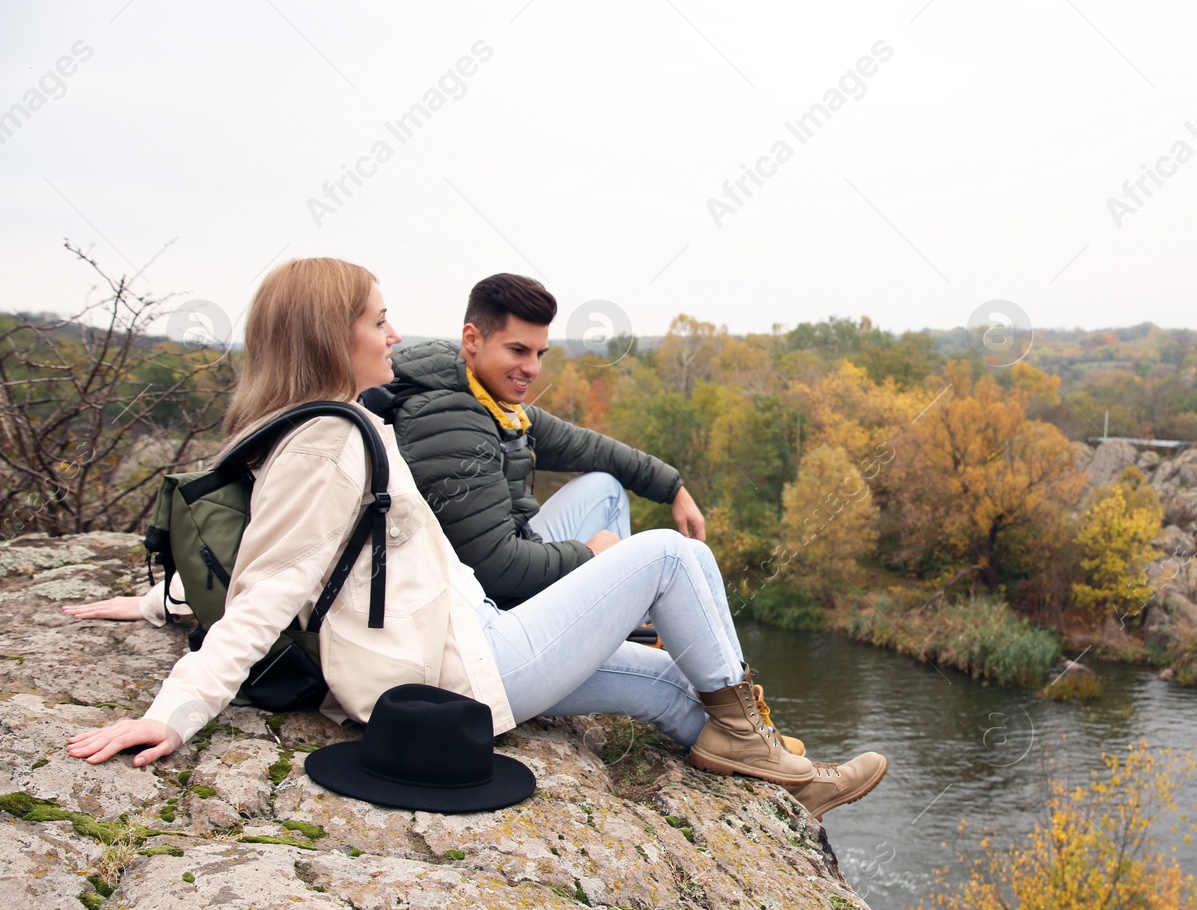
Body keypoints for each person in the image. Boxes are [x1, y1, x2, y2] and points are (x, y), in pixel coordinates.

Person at [64, 258, 887, 819]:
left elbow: (271, 561)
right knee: (673, 557)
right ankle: (755, 739)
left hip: (472, 639)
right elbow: (269, 587)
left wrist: (153, 601)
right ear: (330, 338)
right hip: (463, 669)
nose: (393, 336)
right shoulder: (326, 444)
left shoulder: (341, 425)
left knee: (676, 682)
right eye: (379, 322)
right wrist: (175, 712)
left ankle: (788, 785)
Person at [360, 273, 691, 611]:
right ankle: (616, 621)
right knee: (668, 561)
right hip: (485, 617)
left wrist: (672, 488)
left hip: (505, 578)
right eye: (518, 350)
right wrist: (592, 555)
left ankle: (619, 618)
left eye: (539, 353)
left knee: (604, 487)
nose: (532, 368)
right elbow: (495, 568)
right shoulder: (449, 415)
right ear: (472, 339)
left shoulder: (484, 397)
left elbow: (585, 446)